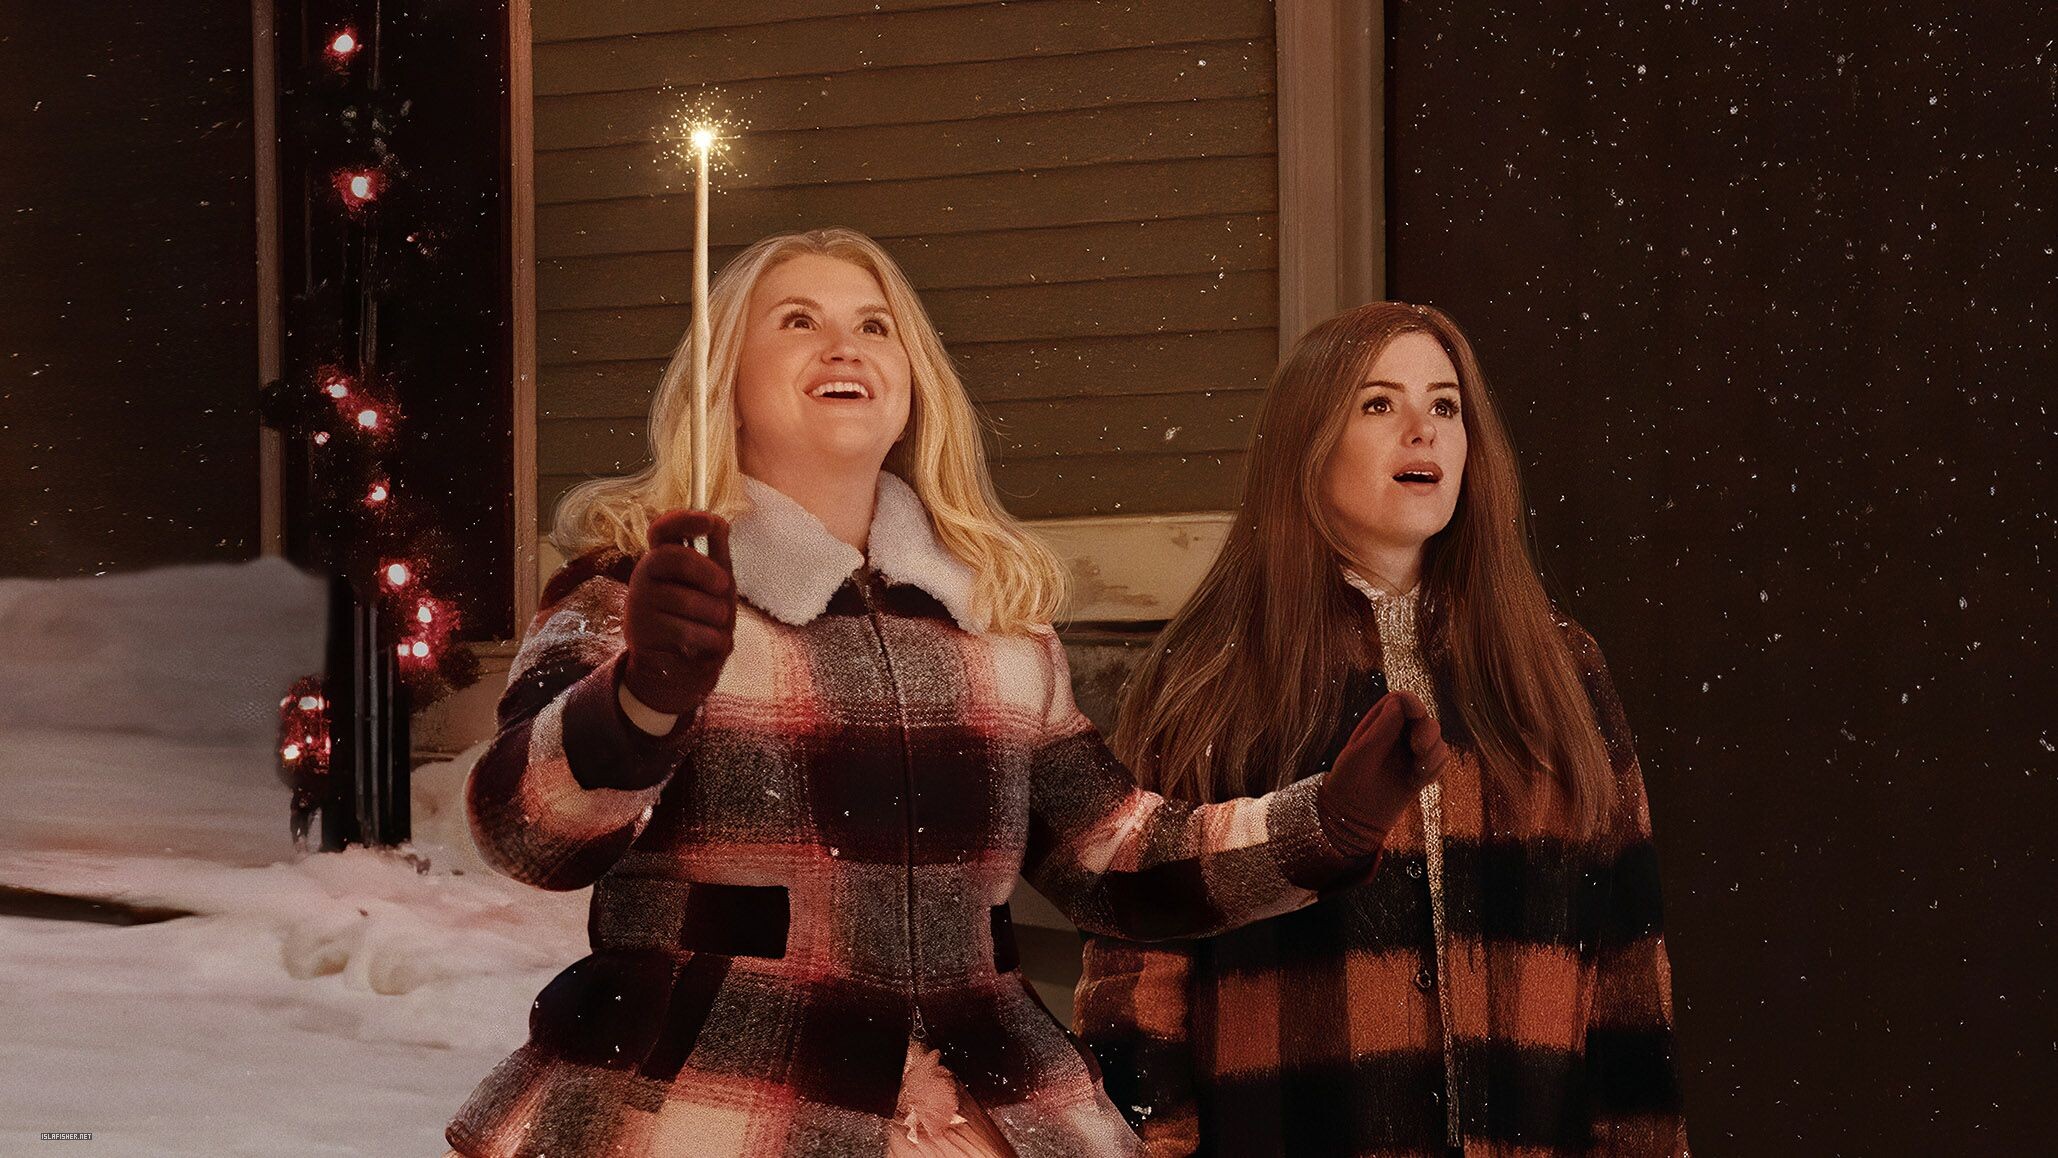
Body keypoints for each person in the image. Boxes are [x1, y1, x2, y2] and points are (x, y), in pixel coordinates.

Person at [441, 231, 1447, 1158]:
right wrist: (641, 703)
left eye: (875, 326)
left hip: (987, 1101)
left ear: (912, 381)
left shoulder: (996, 622)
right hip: (714, 1099)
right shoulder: (639, 591)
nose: (845, 346)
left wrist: (1326, 823)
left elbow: (1112, 857)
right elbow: (523, 830)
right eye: (798, 321)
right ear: (726, 382)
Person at [1073, 302, 1688, 1157]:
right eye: (1378, 403)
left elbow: (1628, 968)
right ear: (1308, 443)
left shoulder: (1558, 668)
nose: (1422, 431)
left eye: (1444, 405)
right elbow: (1137, 979)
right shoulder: (1215, 676)